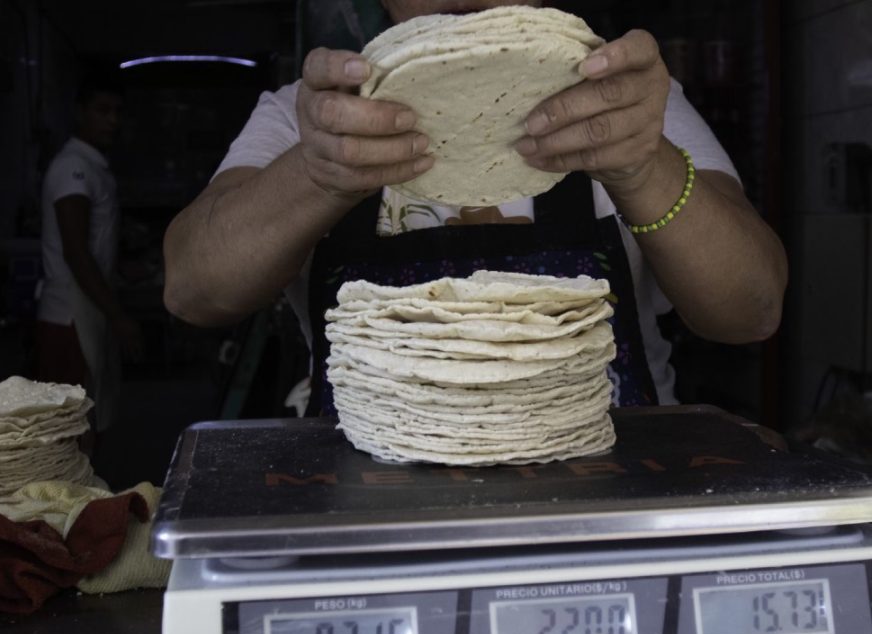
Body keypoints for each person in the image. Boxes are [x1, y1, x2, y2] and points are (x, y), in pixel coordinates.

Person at [162, 0, 787, 414]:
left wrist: (643, 166)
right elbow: (195, 290)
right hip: (362, 489)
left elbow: (751, 310)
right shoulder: (305, 116)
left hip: (609, 486)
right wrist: (316, 174)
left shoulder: (627, 107)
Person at [37, 71, 144, 435]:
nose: (112, 120)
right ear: (80, 111)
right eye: (102, 110)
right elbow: (76, 252)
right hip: (68, 318)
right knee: (71, 430)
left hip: (87, 311)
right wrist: (119, 318)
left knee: (90, 421)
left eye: (118, 111)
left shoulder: (93, 165)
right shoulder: (73, 168)